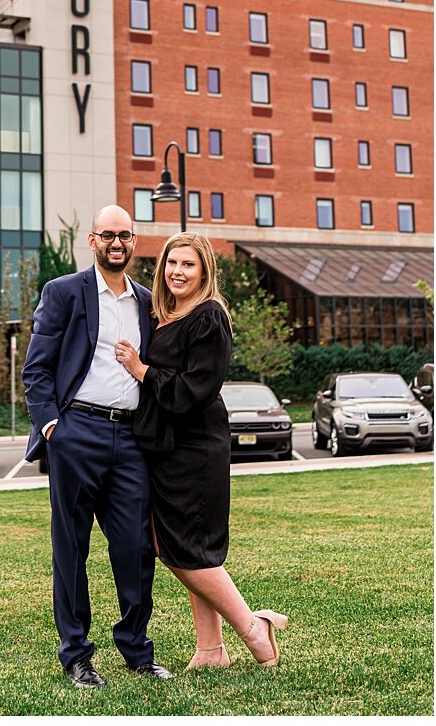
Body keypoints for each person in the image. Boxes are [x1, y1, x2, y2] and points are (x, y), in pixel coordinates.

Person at [113, 233, 288, 666]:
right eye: (172, 263)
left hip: (194, 447)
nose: (178, 271)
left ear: (205, 270)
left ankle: (252, 628)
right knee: (182, 545)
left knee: (185, 549)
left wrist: (142, 370)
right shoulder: (164, 315)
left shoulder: (209, 317)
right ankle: (210, 649)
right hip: (165, 448)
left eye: (188, 265)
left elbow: (196, 389)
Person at [22, 205, 172, 689]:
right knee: (71, 549)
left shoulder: (149, 302)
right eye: (108, 235)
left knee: (134, 547)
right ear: (92, 241)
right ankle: (77, 656)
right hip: (75, 433)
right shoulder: (64, 292)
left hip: (130, 438)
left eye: (125, 236)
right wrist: (51, 428)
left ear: (134, 242)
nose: (117, 243)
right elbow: (37, 369)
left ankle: (136, 650)